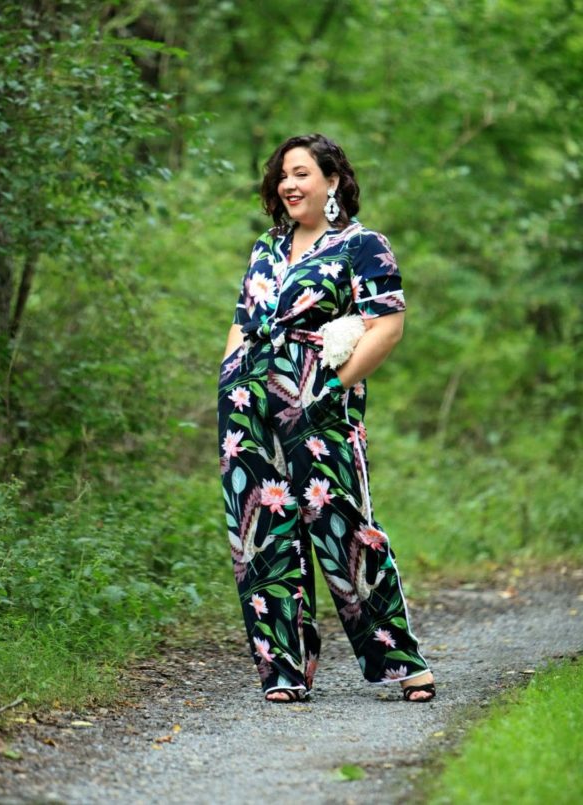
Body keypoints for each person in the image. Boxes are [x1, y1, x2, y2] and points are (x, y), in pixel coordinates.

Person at [217, 133, 435, 703]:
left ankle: (399, 661)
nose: (288, 184)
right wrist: (229, 372)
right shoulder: (266, 247)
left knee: (342, 525)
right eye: (282, 175)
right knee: (262, 534)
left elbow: (387, 326)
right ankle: (284, 673)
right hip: (247, 405)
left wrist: (335, 385)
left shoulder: (364, 246)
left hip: (320, 401)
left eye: (301, 173)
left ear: (332, 181)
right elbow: (242, 320)